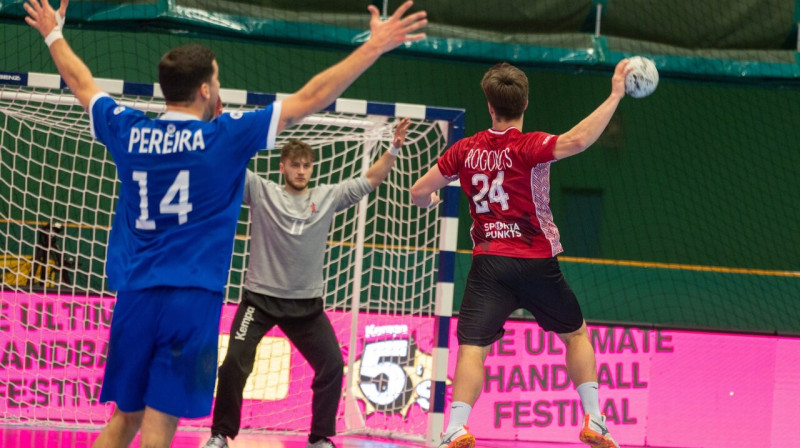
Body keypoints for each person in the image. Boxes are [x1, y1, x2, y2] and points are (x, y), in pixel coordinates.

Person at [23, 0, 426, 446]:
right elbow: (312, 98)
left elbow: (83, 84)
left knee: (123, 420)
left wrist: (53, 34)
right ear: (202, 90)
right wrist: (374, 45)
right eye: (217, 80)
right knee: (159, 426)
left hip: (134, 296)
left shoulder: (128, 130)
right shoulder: (226, 137)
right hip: (190, 301)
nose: (221, 87)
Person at [410, 61, 633, 448]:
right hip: (535, 262)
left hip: (488, 264)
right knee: (576, 334)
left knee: (473, 348)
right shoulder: (531, 146)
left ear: (489, 105)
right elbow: (579, 140)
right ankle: (594, 419)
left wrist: (429, 200)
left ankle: (455, 428)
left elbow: (417, 191)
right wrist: (615, 94)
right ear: (525, 102)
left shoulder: (464, 150)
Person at [203, 118, 411, 448]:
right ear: (283, 167)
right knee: (233, 363)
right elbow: (226, 165)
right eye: (295, 165)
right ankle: (220, 434)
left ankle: (319, 439)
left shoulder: (327, 197)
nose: (301, 171)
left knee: (331, 365)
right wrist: (217, 127)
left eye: (306, 165)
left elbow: (370, 179)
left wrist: (394, 148)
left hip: (306, 307)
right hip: (259, 301)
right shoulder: (261, 191)